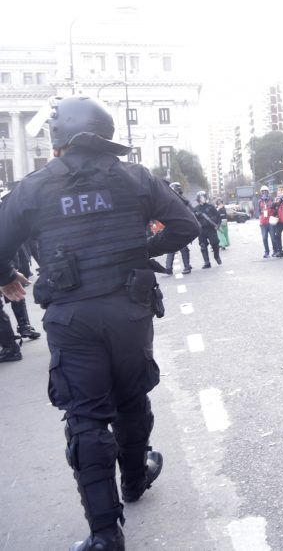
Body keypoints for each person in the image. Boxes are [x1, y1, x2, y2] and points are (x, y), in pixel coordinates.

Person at [0, 96, 200, 550]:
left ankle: (105, 534)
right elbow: (186, 225)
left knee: (86, 416)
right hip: (130, 308)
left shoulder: (33, 188)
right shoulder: (135, 177)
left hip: (72, 317)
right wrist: (135, 252)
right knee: (131, 398)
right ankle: (134, 480)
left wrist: (7, 277)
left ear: (59, 136)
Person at [164, 181, 193, 274]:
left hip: (175, 227)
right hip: (178, 227)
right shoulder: (181, 201)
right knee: (181, 248)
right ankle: (185, 266)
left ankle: (169, 268)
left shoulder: (170, 201)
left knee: (173, 248)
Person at [193, 191, 222, 268]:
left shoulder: (211, 207)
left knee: (215, 244)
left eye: (204, 196)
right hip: (202, 230)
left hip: (211, 229)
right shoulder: (195, 209)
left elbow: (218, 217)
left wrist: (218, 225)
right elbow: (193, 221)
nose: (203, 198)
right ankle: (207, 262)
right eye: (201, 197)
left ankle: (217, 256)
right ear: (198, 199)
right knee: (203, 246)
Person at [255, 185, 281, 258]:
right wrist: (260, 218)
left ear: (268, 192)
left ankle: (275, 251)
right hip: (263, 222)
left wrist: (275, 215)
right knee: (264, 237)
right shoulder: (259, 201)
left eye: (265, 191)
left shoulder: (271, 199)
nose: (264, 193)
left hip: (271, 221)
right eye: (262, 191)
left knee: (273, 237)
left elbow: (276, 208)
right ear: (261, 192)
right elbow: (258, 211)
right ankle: (266, 252)